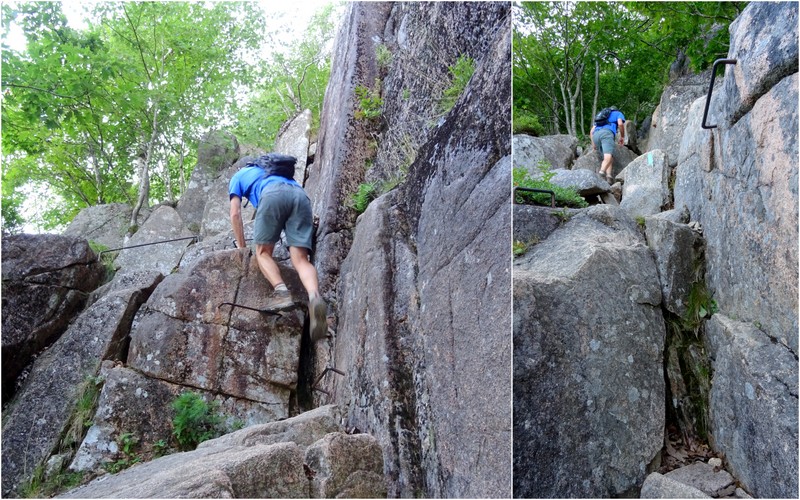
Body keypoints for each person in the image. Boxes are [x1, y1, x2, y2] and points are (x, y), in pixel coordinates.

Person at [229, 154, 328, 341]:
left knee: (263, 253)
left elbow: (235, 213)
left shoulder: (238, 176)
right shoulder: (270, 171)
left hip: (272, 195)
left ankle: (281, 292)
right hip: (300, 195)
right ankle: (315, 298)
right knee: (300, 259)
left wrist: (242, 248)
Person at [590, 106, 626, 184]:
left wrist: (593, 144)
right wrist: (622, 136)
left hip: (596, 135)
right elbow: (620, 124)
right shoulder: (618, 113)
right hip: (606, 134)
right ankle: (601, 173)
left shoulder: (602, 116)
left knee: (609, 157)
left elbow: (592, 131)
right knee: (608, 156)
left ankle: (609, 176)